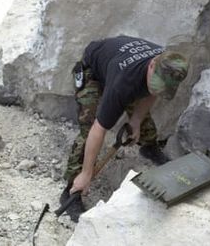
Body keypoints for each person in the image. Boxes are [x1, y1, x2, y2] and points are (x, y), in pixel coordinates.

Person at [61, 35, 188, 221]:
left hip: (120, 67)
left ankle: (149, 148)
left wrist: (135, 120)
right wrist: (88, 173)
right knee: (88, 128)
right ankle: (73, 189)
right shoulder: (124, 82)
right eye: (155, 84)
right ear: (151, 65)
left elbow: (152, 92)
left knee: (142, 116)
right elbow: (99, 129)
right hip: (92, 71)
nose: (156, 90)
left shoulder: (167, 64)